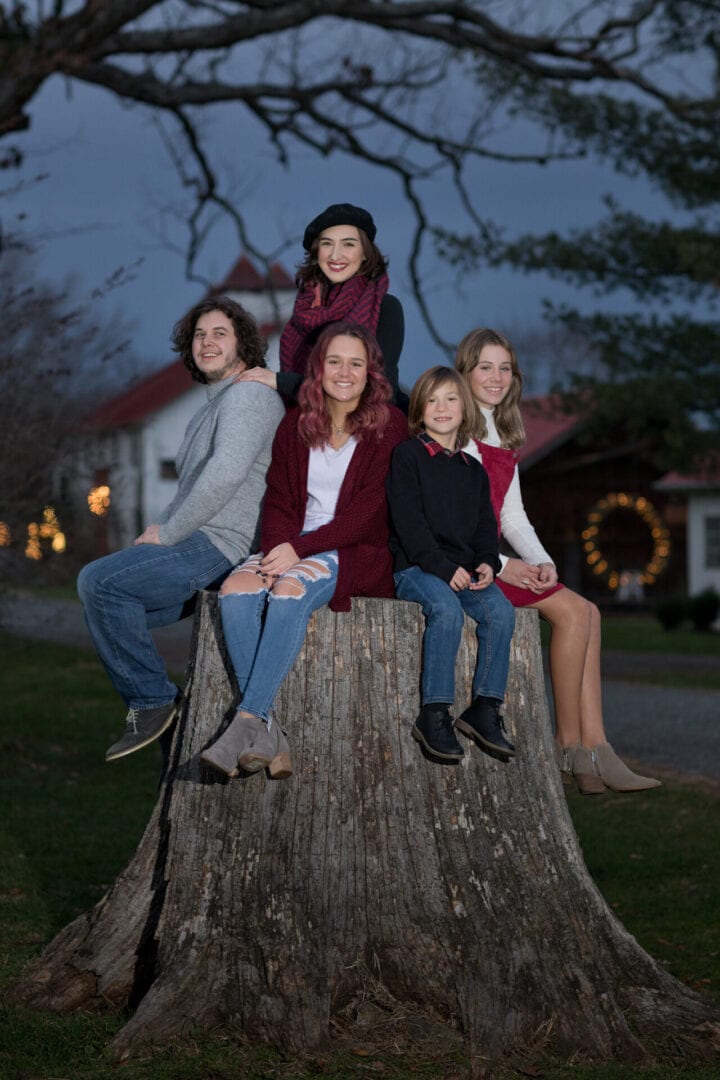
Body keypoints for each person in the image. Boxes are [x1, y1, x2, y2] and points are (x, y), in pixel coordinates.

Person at [78, 297, 286, 762]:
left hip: (221, 545)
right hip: (201, 542)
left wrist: (169, 533)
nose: (206, 342)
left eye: (219, 334)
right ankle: (172, 732)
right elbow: (197, 482)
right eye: (199, 335)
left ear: (244, 346)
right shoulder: (209, 408)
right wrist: (164, 527)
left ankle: (153, 703)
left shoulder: (249, 396)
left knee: (100, 583)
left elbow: (226, 475)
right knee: (112, 608)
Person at [455, 327, 660, 793]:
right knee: (569, 613)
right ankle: (566, 747)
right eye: (485, 367)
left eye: (505, 368)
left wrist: (542, 560)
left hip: (498, 558)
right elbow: (457, 521)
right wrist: (508, 566)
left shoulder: (502, 430)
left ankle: (598, 748)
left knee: (590, 610)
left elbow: (510, 513)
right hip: (471, 566)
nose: (496, 376)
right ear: (465, 371)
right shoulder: (459, 428)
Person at [201, 321, 408, 779]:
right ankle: (270, 731)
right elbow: (277, 497)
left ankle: (246, 722)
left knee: (290, 590)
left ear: (371, 371)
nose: (345, 372)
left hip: (353, 549)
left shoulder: (389, 425)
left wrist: (299, 550)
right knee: (236, 587)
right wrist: (277, 548)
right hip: (293, 542)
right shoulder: (296, 421)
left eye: (356, 363)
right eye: (335, 361)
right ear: (319, 368)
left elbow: (371, 513)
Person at [385, 366, 516, 764]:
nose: (442, 407)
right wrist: (442, 567)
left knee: (501, 612)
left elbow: (484, 525)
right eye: (432, 400)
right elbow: (409, 523)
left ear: (464, 408)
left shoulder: (472, 469)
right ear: (420, 409)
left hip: (463, 570)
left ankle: (484, 708)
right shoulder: (408, 456)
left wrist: (487, 562)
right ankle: (434, 712)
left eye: (451, 399)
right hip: (417, 568)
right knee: (444, 610)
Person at [237, 203, 405, 404]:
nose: (335, 255)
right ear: (317, 253)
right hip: (307, 420)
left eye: (348, 244)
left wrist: (282, 381)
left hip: (372, 425)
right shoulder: (304, 312)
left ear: (366, 253)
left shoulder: (385, 307)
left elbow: (379, 388)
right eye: (327, 244)